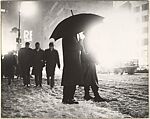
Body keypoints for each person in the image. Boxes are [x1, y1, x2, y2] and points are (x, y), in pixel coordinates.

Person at [80, 35, 108, 102]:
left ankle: (87, 95)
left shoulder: (84, 41)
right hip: (89, 63)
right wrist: (96, 60)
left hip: (86, 63)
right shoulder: (87, 41)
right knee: (92, 80)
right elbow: (91, 53)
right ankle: (96, 95)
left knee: (87, 80)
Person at [61, 35, 82, 104]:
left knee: (69, 81)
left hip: (69, 63)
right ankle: (69, 98)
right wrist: (79, 43)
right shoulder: (70, 38)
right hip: (72, 63)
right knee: (72, 81)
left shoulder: (66, 37)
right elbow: (76, 48)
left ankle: (66, 98)